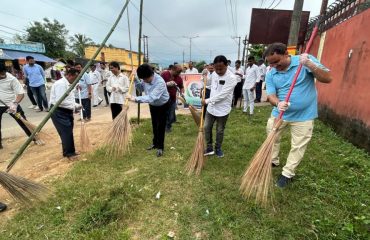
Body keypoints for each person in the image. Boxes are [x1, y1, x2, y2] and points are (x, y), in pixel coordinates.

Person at [264, 42, 332, 187]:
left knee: (298, 145)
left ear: (287, 54)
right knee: (271, 138)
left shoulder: (304, 61)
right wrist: (278, 103)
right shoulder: (271, 73)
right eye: (271, 64)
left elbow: (327, 78)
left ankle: (287, 173)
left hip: (304, 115)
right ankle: (273, 160)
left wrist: (310, 65)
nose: (274, 66)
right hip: (280, 113)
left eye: (277, 61)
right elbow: (270, 95)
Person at [127, 64, 170, 157]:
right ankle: (155, 143)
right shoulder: (145, 79)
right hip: (153, 105)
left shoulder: (160, 82)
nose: (144, 81)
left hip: (163, 105)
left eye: (146, 79)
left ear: (151, 74)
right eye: (143, 79)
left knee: (161, 126)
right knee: (154, 124)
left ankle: (160, 147)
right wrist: (135, 79)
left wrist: (134, 99)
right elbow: (140, 88)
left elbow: (151, 97)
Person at [202, 55, 237, 158]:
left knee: (220, 130)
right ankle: (209, 147)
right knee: (206, 127)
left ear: (226, 65)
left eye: (221, 68)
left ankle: (218, 148)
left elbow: (222, 95)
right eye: (216, 68)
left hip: (223, 109)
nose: (218, 71)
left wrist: (207, 101)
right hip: (211, 108)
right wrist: (204, 77)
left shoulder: (231, 78)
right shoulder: (214, 74)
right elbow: (208, 84)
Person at [0, 63, 38, 149]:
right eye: (0, 74)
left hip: (11, 104)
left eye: (3, 73)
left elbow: (20, 93)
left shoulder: (11, 79)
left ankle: (34, 138)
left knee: (23, 122)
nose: (2, 76)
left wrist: (15, 104)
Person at [50, 68, 82, 160]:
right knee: (66, 132)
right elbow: (60, 101)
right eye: (75, 78)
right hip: (59, 111)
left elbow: (69, 99)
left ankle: (69, 151)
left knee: (67, 132)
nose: (76, 81)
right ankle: (70, 153)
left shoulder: (69, 84)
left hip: (66, 110)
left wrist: (76, 105)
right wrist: (75, 106)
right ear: (70, 75)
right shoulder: (61, 84)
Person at [161, 64, 184, 132]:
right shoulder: (164, 74)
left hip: (173, 98)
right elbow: (158, 84)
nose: (178, 74)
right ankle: (163, 127)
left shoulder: (179, 78)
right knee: (164, 113)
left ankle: (168, 127)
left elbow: (181, 87)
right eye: (177, 72)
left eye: (179, 72)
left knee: (171, 114)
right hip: (163, 98)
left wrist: (182, 92)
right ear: (173, 69)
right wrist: (167, 84)